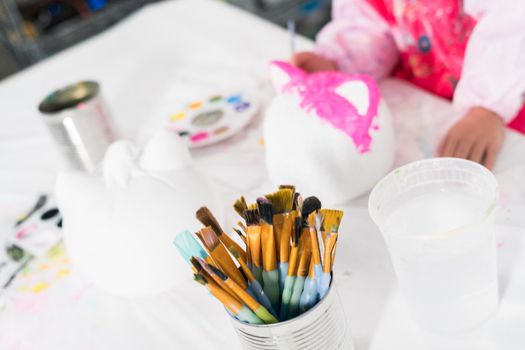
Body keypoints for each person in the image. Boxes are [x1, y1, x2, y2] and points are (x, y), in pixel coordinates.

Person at [292, 0, 525, 169]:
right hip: (425, 98)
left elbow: (513, 25)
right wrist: (338, 59)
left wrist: (487, 109)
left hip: (505, 103)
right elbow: (369, 22)